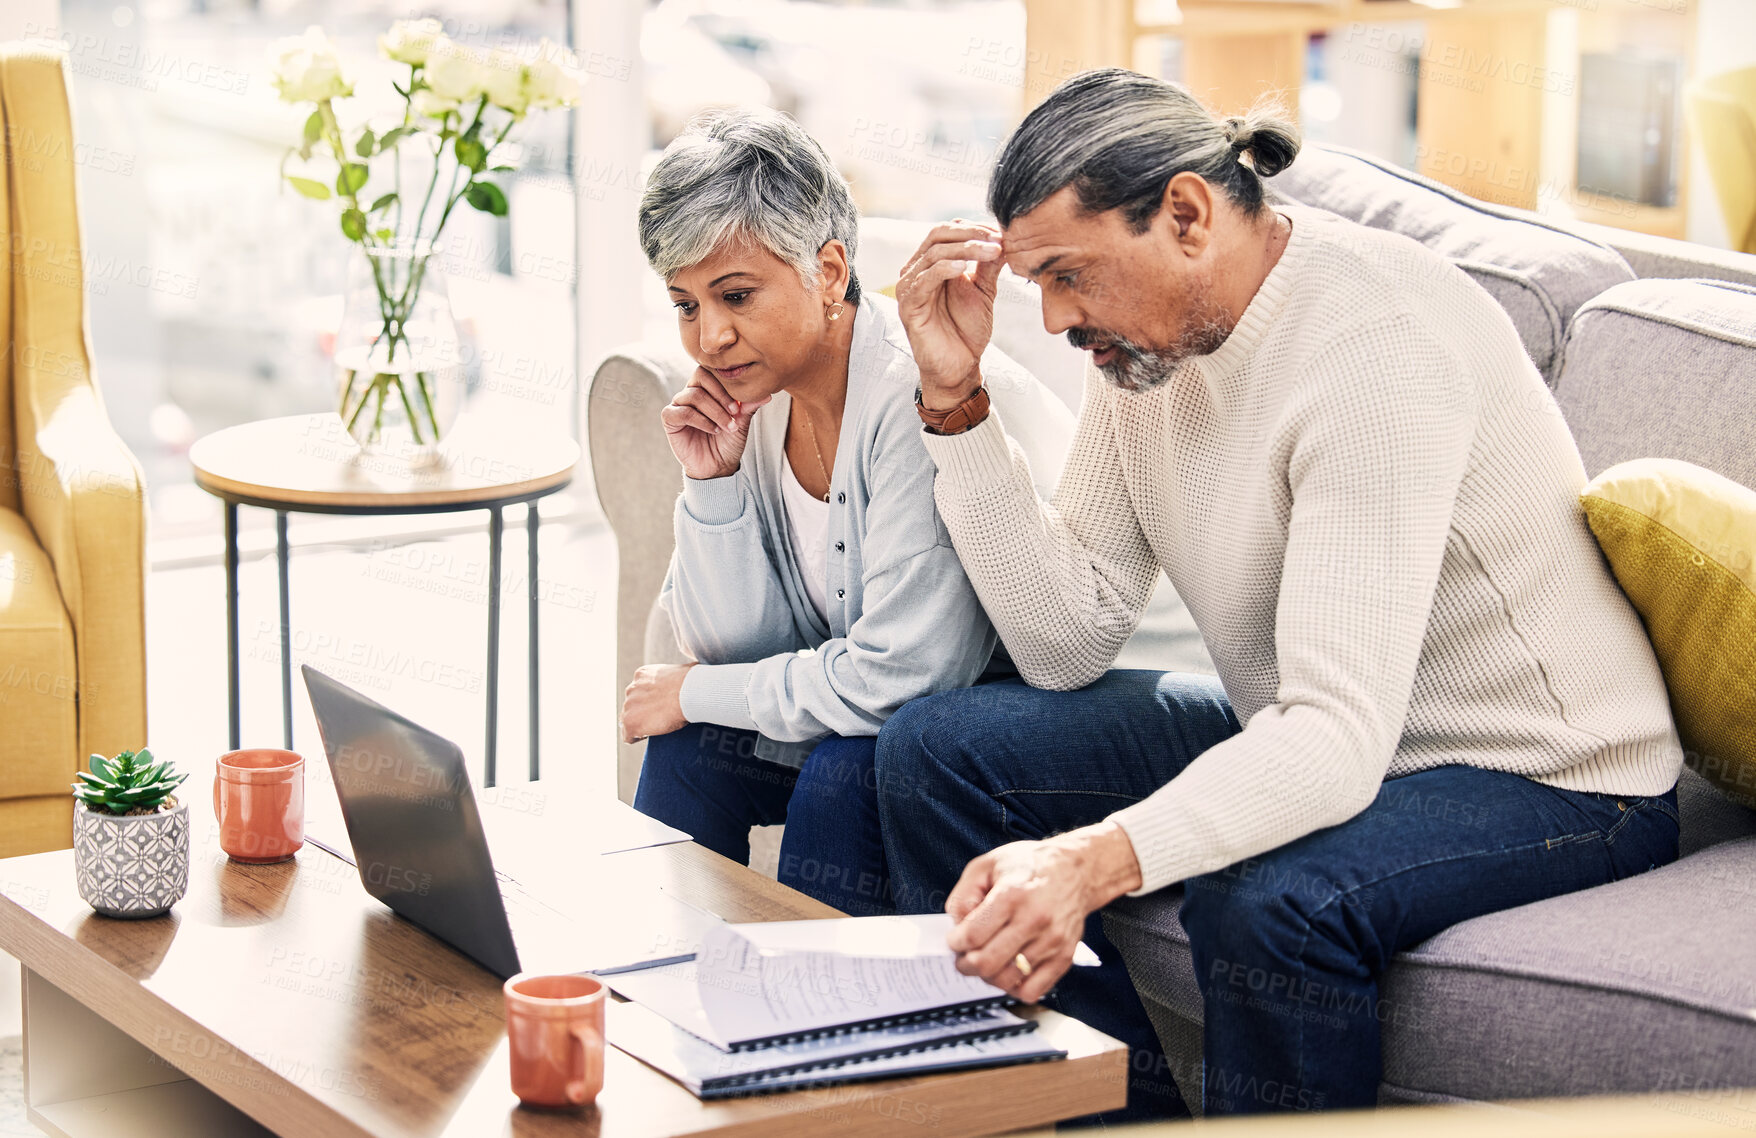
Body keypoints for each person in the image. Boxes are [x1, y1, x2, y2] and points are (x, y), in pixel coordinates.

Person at [881, 68, 1683, 1118]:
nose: (1058, 319)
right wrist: (954, 402)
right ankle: (1109, 1112)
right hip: (1324, 720)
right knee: (938, 753)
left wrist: (1086, 862)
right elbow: (1065, 641)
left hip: (1547, 770)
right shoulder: (1145, 352)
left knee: (1272, 905)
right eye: (1038, 282)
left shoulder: (1375, 347)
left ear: (1185, 212)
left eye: (1070, 274)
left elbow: (1336, 738)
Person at [620, 107, 1069, 919]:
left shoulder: (911, 394)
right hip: (913, 709)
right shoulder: (755, 397)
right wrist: (713, 487)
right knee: (691, 745)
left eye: (736, 295)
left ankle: (813, 1028)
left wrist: (693, 691)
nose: (710, 337)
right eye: (685, 305)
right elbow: (731, 653)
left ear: (829, 272)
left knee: (842, 766)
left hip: (1052, 705)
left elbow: (904, 679)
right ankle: (663, 988)